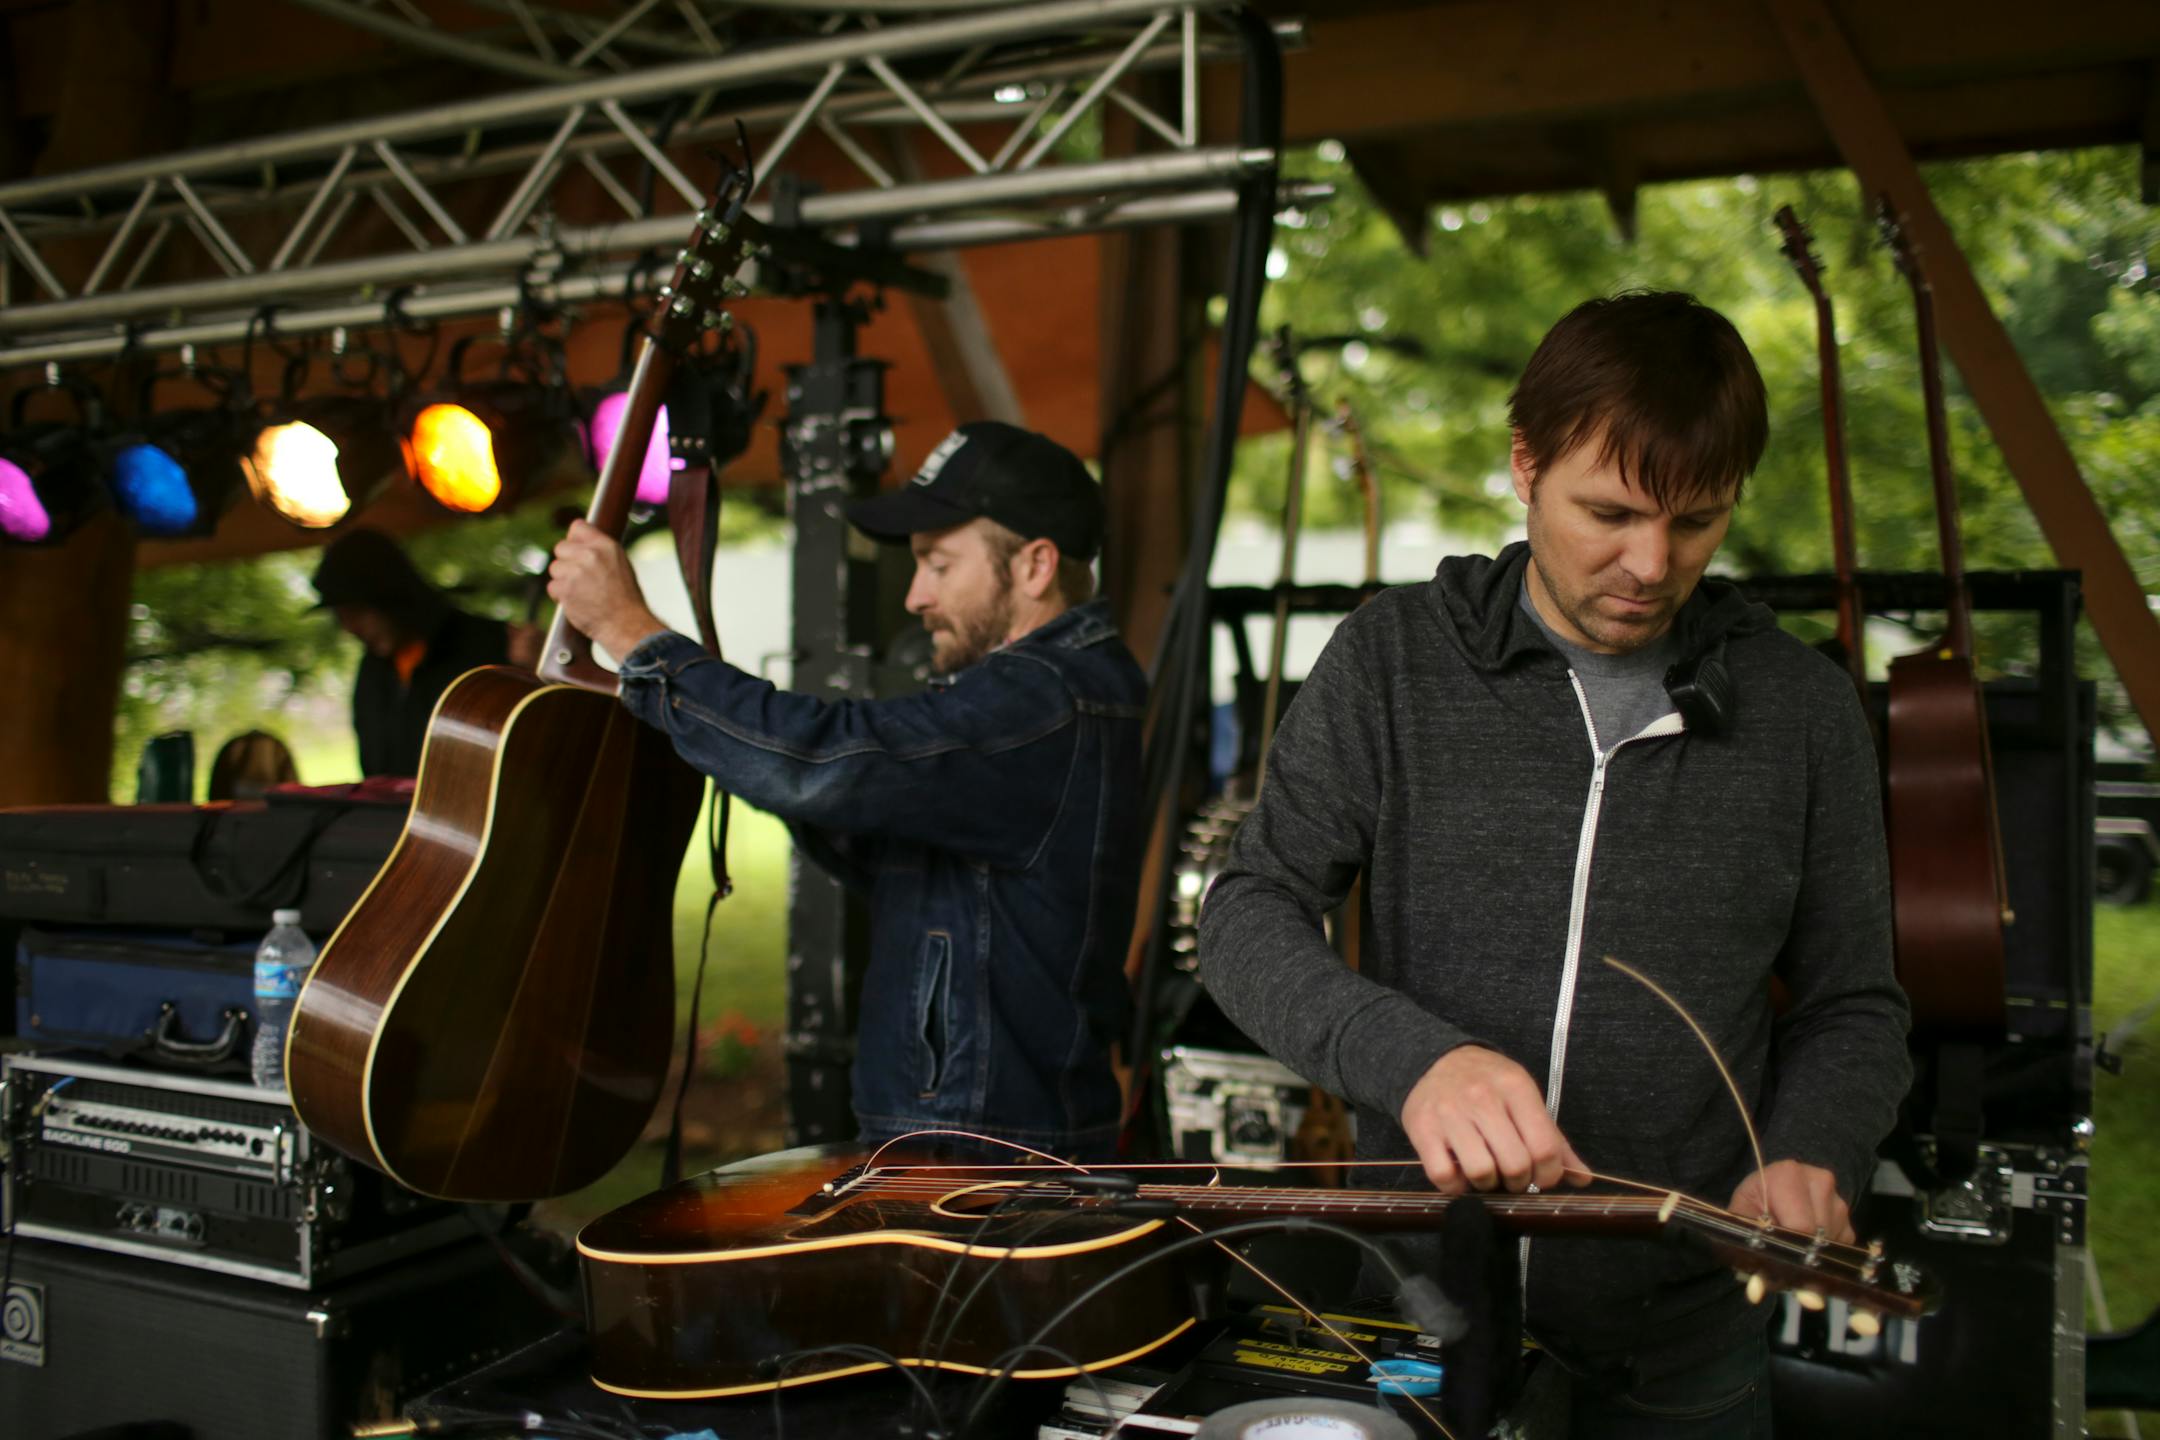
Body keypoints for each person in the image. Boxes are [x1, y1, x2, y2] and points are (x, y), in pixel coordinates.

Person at [1196, 291, 1912, 1435]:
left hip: (1685, 1334)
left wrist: (1812, 1148)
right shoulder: (1392, 661)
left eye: (1697, 522)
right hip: (1421, 1306)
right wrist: (1417, 1061)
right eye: (1611, 512)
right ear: (1525, 465)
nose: (1649, 563)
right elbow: (1247, 913)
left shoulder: (1804, 711)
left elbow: (1856, 1004)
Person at [547, 420, 1147, 1159]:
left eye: (938, 564)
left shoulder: (1042, 703)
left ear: (1035, 566)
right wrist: (730, 737)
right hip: (979, 1134)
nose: (915, 597)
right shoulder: (1053, 696)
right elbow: (860, 815)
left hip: (981, 1153)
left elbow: (830, 762)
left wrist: (633, 634)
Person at [309, 527, 539, 778]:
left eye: (357, 613)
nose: (350, 628)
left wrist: (542, 670)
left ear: (387, 595)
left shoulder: (489, 646)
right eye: (341, 618)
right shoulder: (373, 673)